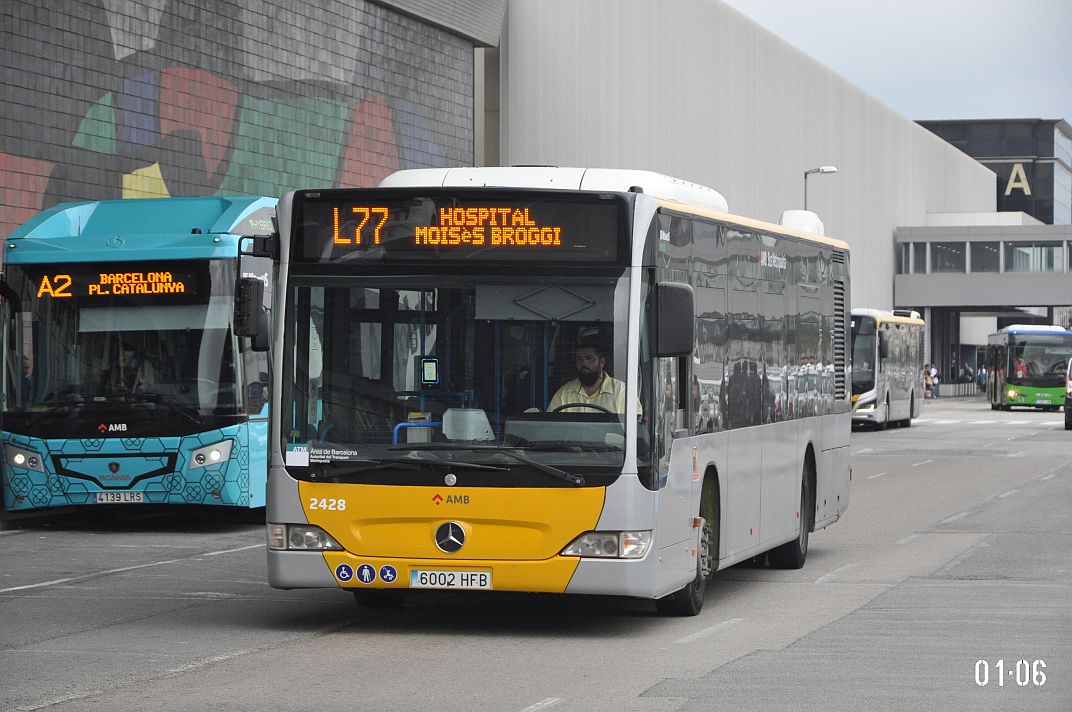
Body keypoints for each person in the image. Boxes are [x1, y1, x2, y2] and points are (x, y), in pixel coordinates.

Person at [548, 338, 634, 414]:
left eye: (589, 358)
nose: (584, 363)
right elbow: (551, 425)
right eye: (579, 359)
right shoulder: (564, 393)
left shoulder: (622, 392)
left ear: (602, 362)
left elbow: (635, 425)